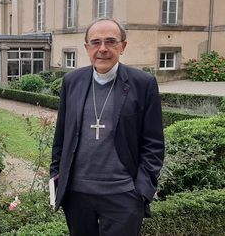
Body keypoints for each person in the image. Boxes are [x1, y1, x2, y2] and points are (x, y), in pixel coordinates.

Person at [49, 18, 165, 236]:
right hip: (77, 195)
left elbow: (154, 144)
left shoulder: (143, 84)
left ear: (123, 46)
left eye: (111, 42)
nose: (102, 49)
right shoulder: (71, 81)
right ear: (87, 48)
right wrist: (56, 176)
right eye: (96, 42)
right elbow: (61, 137)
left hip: (123, 195)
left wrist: (141, 190)